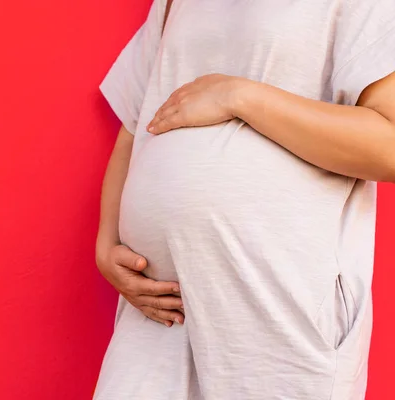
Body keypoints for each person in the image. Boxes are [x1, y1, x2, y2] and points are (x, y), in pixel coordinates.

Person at [93, 0, 395, 399]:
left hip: (273, 296)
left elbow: (388, 145)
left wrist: (238, 96)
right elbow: (136, 124)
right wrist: (106, 242)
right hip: (159, 305)